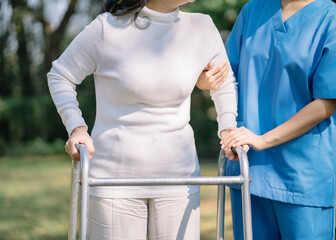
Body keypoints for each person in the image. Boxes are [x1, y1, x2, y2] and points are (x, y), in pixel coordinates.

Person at [47, 0, 237, 239]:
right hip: (113, 181)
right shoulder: (106, 28)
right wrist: (77, 127)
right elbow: (60, 75)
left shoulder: (202, 27)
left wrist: (228, 127)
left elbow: (224, 82)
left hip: (180, 178)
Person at [197, 0, 336, 239]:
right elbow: (226, 78)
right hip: (248, 170)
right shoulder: (253, 11)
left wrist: (263, 139)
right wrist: (227, 127)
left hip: (302, 177)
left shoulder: (335, 22)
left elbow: (325, 105)